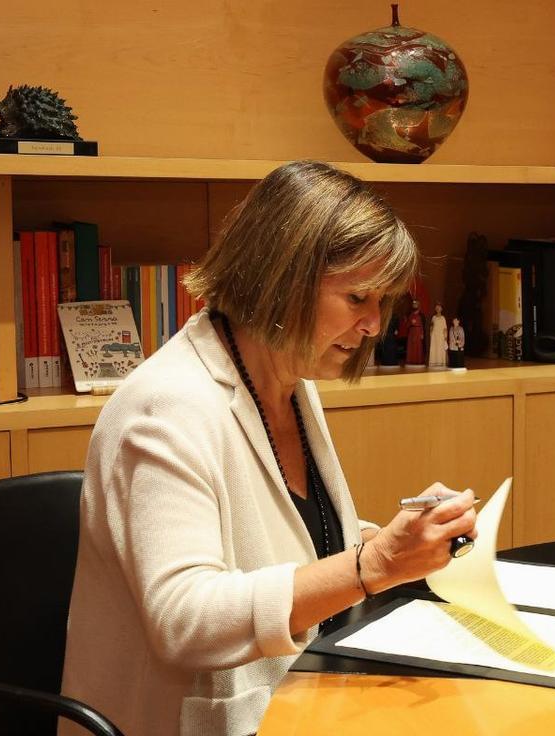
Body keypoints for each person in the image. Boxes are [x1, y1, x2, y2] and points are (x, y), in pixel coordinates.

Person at [60, 160, 478, 736]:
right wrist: (374, 564)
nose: (374, 325)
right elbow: (184, 619)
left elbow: (286, 537)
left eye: (382, 301)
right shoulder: (167, 406)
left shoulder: (286, 378)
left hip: (300, 703)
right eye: (358, 297)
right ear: (280, 281)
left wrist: (394, 539)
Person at [428, 302, 447, 368]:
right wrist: (431, 333)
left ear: (441, 309)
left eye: (439, 307)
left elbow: (445, 328)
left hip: (441, 336)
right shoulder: (433, 317)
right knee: (434, 348)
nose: (438, 309)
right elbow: (431, 326)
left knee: (440, 349)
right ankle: (434, 363)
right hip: (434, 336)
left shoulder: (443, 318)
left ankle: (440, 363)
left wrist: (445, 337)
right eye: (437, 307)